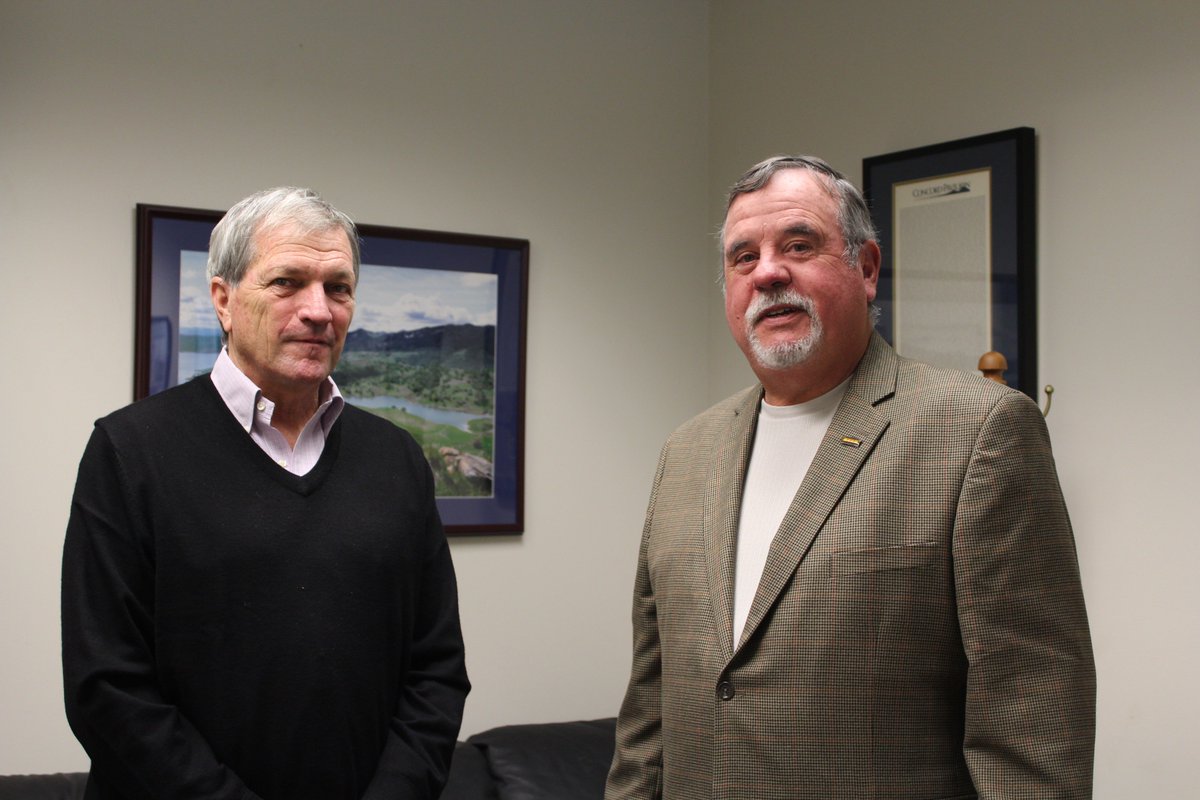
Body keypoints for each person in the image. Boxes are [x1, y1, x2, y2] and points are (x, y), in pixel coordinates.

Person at [606, 156, 1095, 799]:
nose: (768, 272)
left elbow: (1033, 721)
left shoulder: (979, 430)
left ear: (865, 268)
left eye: (798, 246)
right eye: (744, 257)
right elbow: (649, 705)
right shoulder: (687, 452)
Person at [62, 187, 470, 800]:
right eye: (287, 282)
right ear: (223, 300)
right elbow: (107, 686)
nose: (319, 310)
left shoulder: (397, 459)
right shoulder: (129, 452)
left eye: (338, 288)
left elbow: (436, 669)